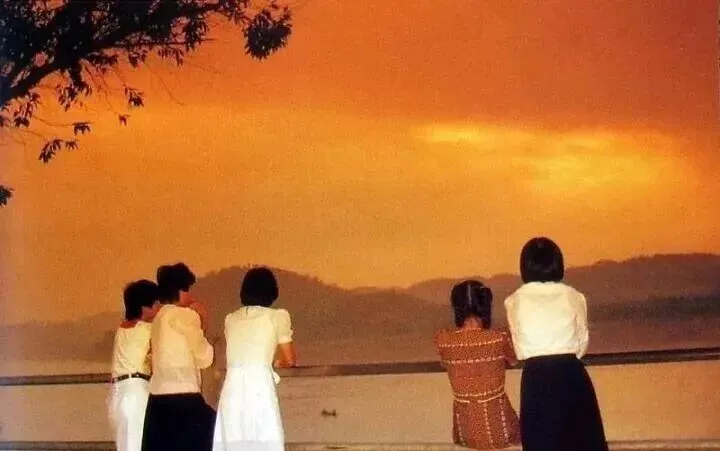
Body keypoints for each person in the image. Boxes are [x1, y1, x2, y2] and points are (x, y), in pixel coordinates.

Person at [504, 237, 608, 451]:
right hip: (571, 374)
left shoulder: (514, 301)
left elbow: (519, 347)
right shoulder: (574, 296)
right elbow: (582, 343)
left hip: (536, 378)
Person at [213, 267, 297, 451]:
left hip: (232, 389)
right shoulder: (277, 316)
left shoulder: (231, 319)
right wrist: (275, 363)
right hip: (260, 387)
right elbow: (290, 359)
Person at [435, 280, 520, 450]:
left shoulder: (443, 340)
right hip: (501, 429)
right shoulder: (499, 338)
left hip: (464, 431)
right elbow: (513, 359)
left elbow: (445, 363)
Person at [142, 263, 216, 451]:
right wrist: (202, 319)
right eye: (188, 290)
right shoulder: (185, 315)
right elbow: (205, 357)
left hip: (157, 401)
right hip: (184, 399)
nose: (190, 296)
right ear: (181, 291)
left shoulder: (158, 318)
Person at [108, 279, 160, 451]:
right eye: (156, 303)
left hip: (118, 392)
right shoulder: (147, 329)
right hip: (136, 392)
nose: (158, 308)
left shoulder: (121, 329)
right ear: (145, 307)